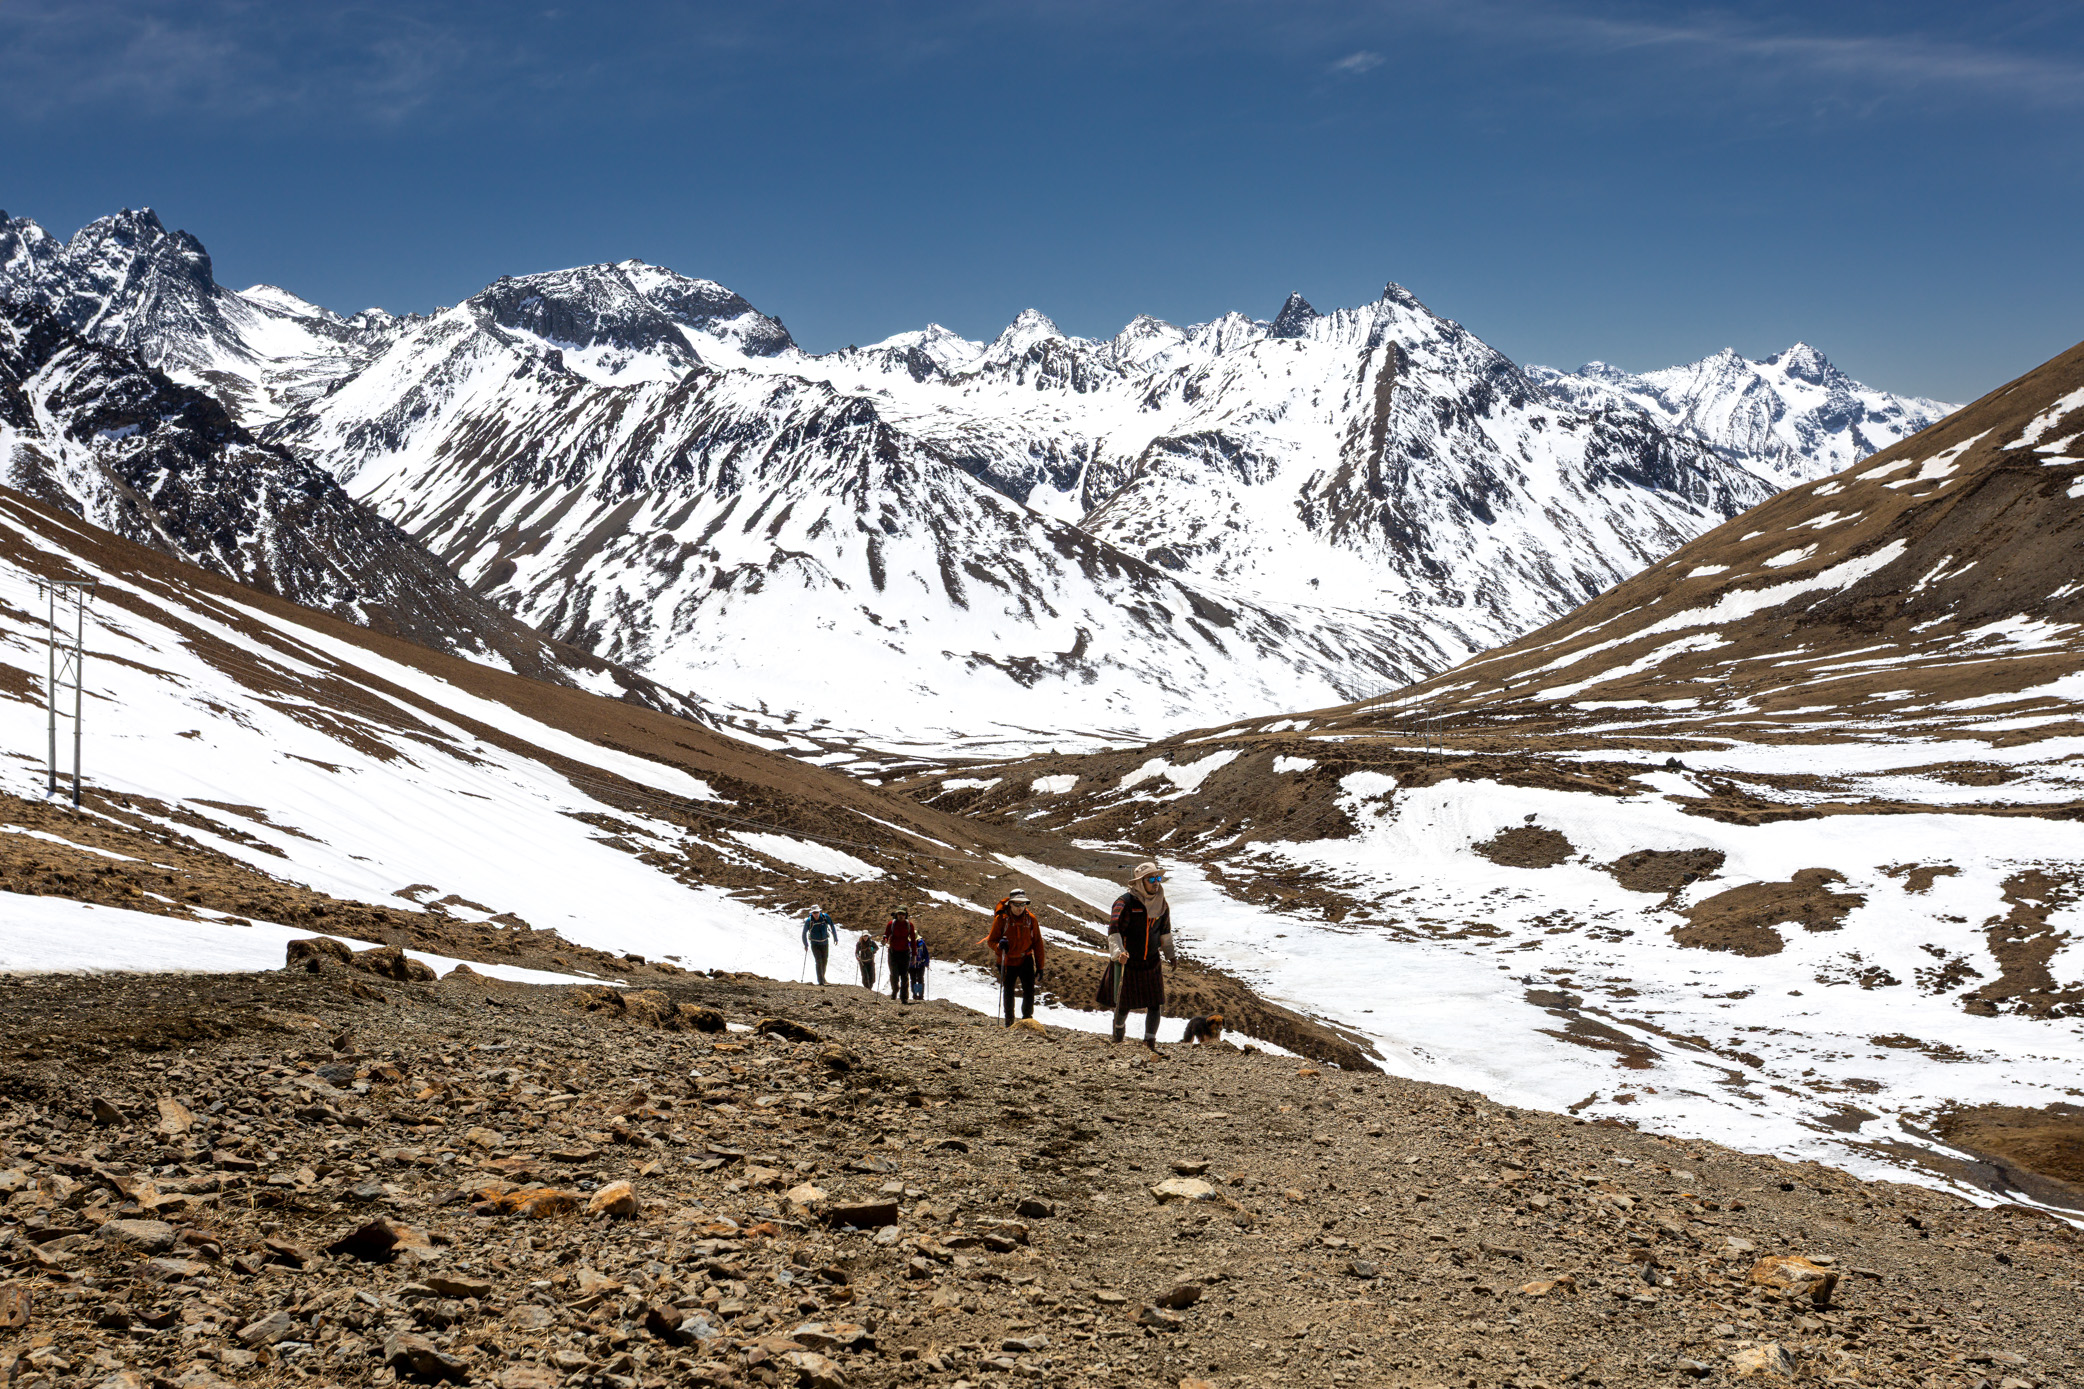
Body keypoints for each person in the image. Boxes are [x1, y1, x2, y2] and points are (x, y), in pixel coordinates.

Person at [1107, 860, 1177, 1052]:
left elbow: (1165, 931)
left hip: (1152, 961)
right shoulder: (1124, 903)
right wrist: (1119, 953)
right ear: (1140, 882)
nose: (1156, 883)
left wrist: (1170, 955)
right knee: (1124, 1003)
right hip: (1129, 961)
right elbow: (1114, 930)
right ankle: (1118, 1031)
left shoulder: (1162, 904)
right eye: (1151, 879)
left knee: (1155, 1003)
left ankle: (1149, 1042)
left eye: (1158, 878)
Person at [987, 888, 1046, 1028]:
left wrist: (1040, 965)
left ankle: (1027, 1020)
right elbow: (991, 941)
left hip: (1025, 959)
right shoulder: (1001, 919)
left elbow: (1037, 942)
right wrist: (999, 946)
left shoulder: (1031, 919)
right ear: (1010, 904)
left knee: (1029, 990)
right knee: (1008, 990)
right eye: (1016, 904)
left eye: (1022, 904)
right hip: (1007, 961)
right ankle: (1009, 1021)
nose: (1020, 908)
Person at [883, 907, 920, 1003]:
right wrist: (884, 940)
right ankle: (895, 990)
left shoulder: (909, 925)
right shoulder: (891, 924)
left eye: (903, 914)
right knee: (894, 975)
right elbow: (886, 935)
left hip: (905, 953)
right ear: (896, 914)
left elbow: (913, 941)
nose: (901, 916)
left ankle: (904, 998)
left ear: (905, 915)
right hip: (893, 952)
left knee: (904, 976)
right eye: (899, 914)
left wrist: (914, 955)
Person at [802, 904, 837, 986]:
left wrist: (835, 937)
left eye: (817, 912)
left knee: (824, 961)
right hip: (815, 944)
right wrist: (806, 944)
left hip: (825, 943)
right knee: (819, 961)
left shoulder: (825, 917)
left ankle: (823, 978)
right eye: (814, 913)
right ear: (812, 913)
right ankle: (821, 981)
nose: (816, 914)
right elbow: (804, 933)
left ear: (819, 912)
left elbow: (832, 925)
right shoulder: (809, 921)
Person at [908, 935, 931, 1002]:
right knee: (913, 980)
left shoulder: (921, 943)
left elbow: (926, 954)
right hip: (911, 965)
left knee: (920, 979)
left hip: (920, 964)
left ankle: (921, 996)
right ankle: (915, 995)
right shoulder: (908, 944)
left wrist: (926, 962)